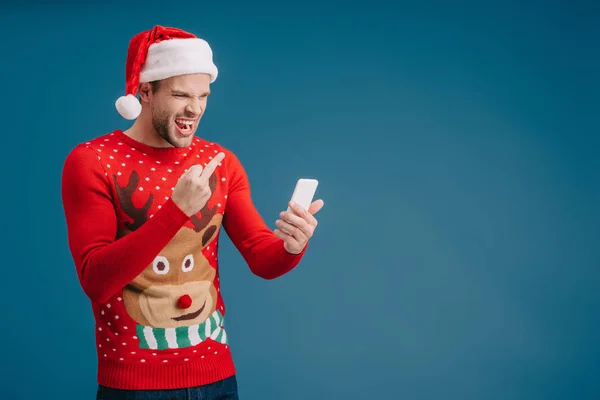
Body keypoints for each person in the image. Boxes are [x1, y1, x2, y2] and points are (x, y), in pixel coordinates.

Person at [61, 25, 323, 400]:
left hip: (217, 379)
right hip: (134, 387)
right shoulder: (92, 161)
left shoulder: (221, 163)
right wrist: (177, 211)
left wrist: (292, 246)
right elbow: (95, 280)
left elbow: (262, 259)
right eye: (181, 94)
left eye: (203, 96)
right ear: (145, 91)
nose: (195, 109)